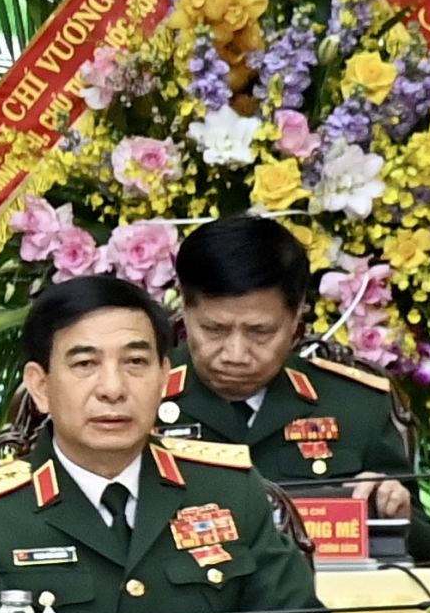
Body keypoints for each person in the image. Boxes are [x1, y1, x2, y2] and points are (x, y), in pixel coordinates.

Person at [0, 272, 340, 613]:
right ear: (41, 386)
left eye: (135, 363)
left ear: (164, 377)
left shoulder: (227, 490)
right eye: (85, 365)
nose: (113, 389)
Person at [163, 215, 417, 523]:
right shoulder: (134, 396)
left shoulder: (356, 406)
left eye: (260, 332)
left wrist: (395, 511)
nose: (236, 355)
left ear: (297, 315)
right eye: (214, 329)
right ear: (184, 308)